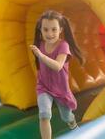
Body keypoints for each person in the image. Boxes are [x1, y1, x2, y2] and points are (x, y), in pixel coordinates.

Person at [30, 10, 84, 139]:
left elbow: (58, 66)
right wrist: (40, 54)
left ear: (60, 30)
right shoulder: (40, 45)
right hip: (43, 87)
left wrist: (41, 55)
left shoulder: (63, 46)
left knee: (66, 117)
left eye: (54, 29)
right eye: (46, 29)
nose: (50, 33)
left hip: (61, 89)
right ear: (40, 30)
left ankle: (72, 123)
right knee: (44, 114)